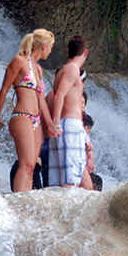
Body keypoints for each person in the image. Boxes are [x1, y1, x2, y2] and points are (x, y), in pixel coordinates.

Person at [0, 28, 59, 192]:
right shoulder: (19, 61)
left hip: (36, 120)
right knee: (26, 163)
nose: (51, 51)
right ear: (43, 46)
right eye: (51, 47)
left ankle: (26, 200)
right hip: (22, 116)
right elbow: (4, 89)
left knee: (32, 166)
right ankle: (19, 201)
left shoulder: (38, 69)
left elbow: (40, 99)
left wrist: (50, 124)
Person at [47, 35, 90, 188]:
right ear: (85, 53)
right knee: (70, 180)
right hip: (69, 126)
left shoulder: (62, 71)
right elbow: (59, 96)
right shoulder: (72, 69)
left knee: (59, 182)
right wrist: (56, 123)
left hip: (64, 126)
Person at [81, 112, 98, 191]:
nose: (89, 131)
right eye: (89, 128)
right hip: (84, 171)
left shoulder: (83, 136)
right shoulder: (83, 135)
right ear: (86, 127)